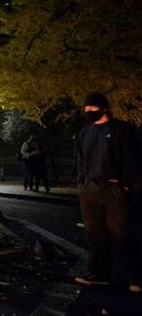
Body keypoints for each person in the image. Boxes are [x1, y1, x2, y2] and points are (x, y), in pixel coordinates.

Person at [74, 92, 141, 293]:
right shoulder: (85, 133)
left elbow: (132, 159)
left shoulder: (122, 130)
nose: (88, 112)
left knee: (121, 233)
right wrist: (81, 185)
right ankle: (99, 273)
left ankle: (136, 275)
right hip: (90, 189)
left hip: (114, 188)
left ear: (104, 108)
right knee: (94, 233)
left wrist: (126, 186)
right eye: (86, 109)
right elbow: (80, 161)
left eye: (92, 108)